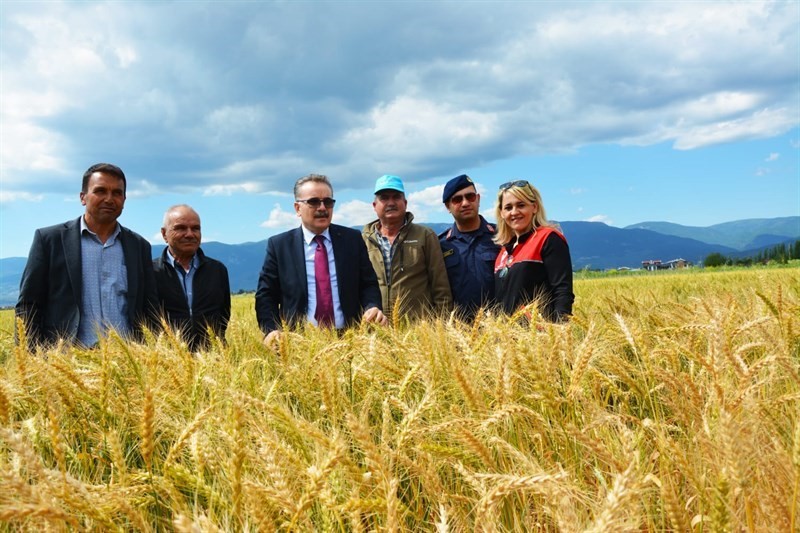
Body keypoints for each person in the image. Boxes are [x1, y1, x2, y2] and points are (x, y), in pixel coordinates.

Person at [15, 163, 158, 348]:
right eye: (100, 191)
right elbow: (28, 305)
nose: (109, 199)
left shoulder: (139, 246)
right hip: (67, 362)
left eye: (117, 193)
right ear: (83, 197)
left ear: (124, 199)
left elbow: (149, 308)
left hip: (126, 362)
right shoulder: (50, 240)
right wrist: (30, 361)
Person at [256, 174, 387, 345]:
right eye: (314, 202)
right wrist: (270, 330)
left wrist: (372, 307)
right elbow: (266, 295)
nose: (322, 207)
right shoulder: (280, 246)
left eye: (328, 202)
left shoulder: (352, 239)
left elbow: (368, 284)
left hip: (350, 339)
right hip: (299, 343)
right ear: (297, 208)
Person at [362, 175, 452, 319]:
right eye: (384, 198)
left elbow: (440, 287)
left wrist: (443, 326)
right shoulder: (363, 240)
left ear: (405, 203)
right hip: (375, 332)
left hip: (418, 333)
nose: (391, 202)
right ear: (374, 206)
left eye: (396, 197)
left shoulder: (425, 235)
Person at [493, 180, 574, 322]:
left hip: (540, 336)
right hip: (507, 337)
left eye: (521, 205)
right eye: (508, 207)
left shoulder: (548, 238)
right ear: (502, 213)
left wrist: (560, 331)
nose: (514, 212)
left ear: (534, 207)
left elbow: (562, 291)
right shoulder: (504, 251)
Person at [153, 205, 231, 351]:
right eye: (181, 228)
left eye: (195, 228)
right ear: (164, 234)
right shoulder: (150, 272)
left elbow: (223, 315)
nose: (190, 234)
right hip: (166, 362)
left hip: (213, 360)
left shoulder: (217, 270)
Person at [438, 174, 500, 320]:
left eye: (470, 197)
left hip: (499, 329)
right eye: (457, 199)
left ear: (478, 199)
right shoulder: (440, 245)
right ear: (448, 206)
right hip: (456, 331)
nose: (465, 203)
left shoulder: (502, 236)